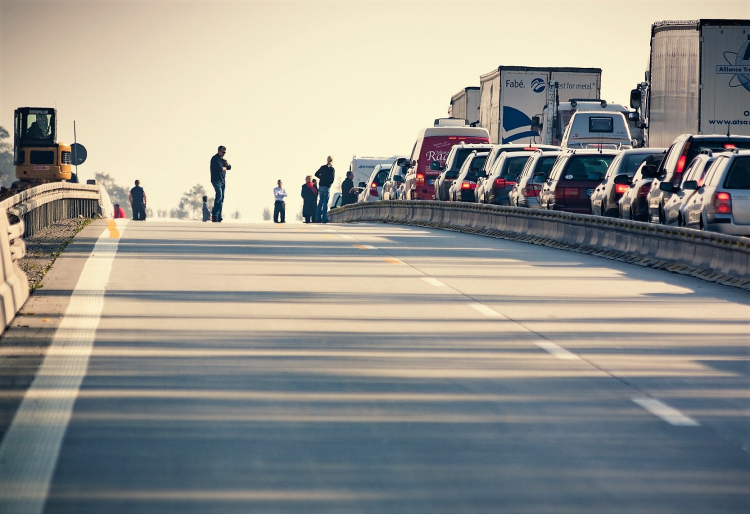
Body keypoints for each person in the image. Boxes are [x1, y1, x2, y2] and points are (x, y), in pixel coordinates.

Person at [210, 145, 231, 223]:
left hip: (222, 181)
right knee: (219, 196)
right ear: (219, 151)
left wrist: (226, 161)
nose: (223, 154)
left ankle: (219, 216)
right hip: (216, 180)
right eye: (222, 152)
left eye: (225, 152)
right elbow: (220, 169)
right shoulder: (215, 159)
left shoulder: (222, 159)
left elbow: (229, 167)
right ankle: (215, 215)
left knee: (221, 199)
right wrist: (225, 167)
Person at [315, 156, 335, 223]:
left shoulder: (323, 167)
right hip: (327, 186)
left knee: (320, 201)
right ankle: (324, 218)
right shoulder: (331, 169)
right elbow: (332, 179)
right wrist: (328, 181)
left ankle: (317, 217)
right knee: (325, 202)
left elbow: (316, 174)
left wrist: (322, 178)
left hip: (321, 185)